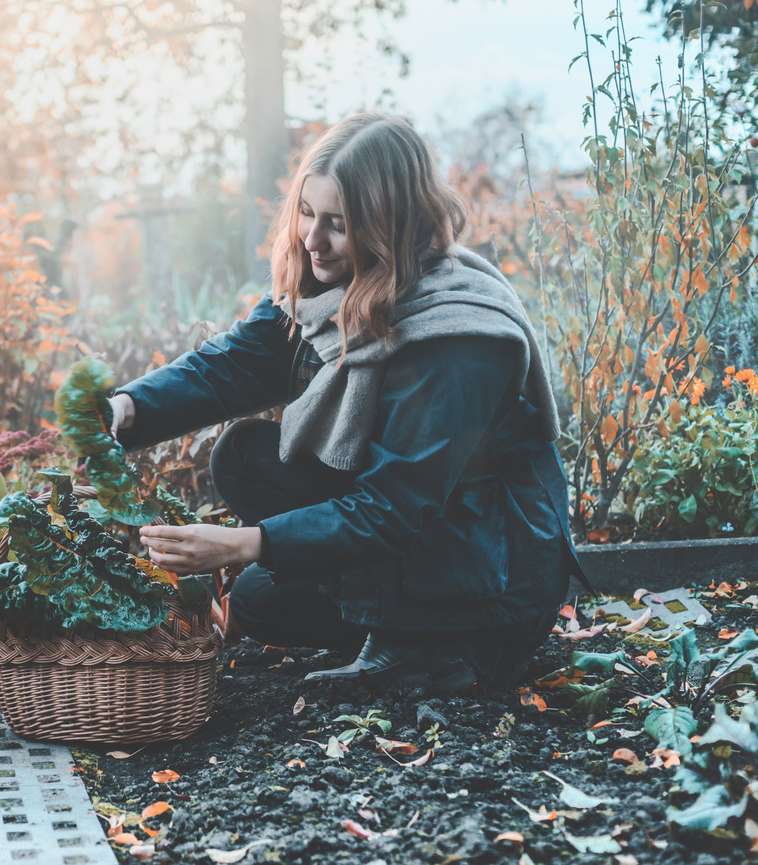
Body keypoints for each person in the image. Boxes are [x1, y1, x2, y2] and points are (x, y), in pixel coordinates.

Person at [109, 113, 584, 693]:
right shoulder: (333, 286)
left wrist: (241, 544)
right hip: (414, 535)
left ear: (391, 223)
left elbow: (395, 505)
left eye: (338, 223)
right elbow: (232, 365)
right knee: (254, 556)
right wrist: (127, 409)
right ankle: (387, 614)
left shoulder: (456, 335)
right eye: (306, 213)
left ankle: (449, 649)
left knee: (264, 587)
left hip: (493, 570)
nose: (312, 240)